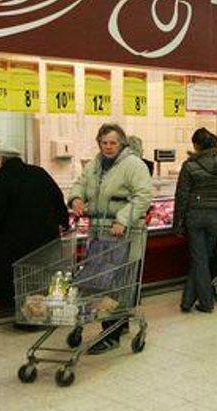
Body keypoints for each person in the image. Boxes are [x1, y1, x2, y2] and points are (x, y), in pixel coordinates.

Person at [68, 123, 153, 354]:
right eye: (104, 142)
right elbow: (81, 184)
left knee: (115, 284)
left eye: (113, 142)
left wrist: (123, 219)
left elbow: (143, 195)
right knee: (101, 281)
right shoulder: (95, 164)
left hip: (123, 233)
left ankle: (111, 335)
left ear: (122, 143)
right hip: (98, 231)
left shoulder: (133, 164)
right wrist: (76, 198)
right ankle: (117, 323)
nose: (108, 147)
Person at [0, 140, 69, 316]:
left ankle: (18, 311)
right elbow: (59, 201)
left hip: (14, 247)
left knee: (15, 282)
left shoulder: (1, 181)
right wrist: (63, 222)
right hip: (46, 245)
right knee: (39, 281)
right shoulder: (39, 172)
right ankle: (39, 310)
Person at [174, 128, 217, 313]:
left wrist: (178, 224)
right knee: (202, 258)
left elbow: (181, 196)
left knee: (199, 259)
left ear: (196, 145)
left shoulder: (189, 165)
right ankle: (187, 301)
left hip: (195, 215)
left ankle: (206, 303)